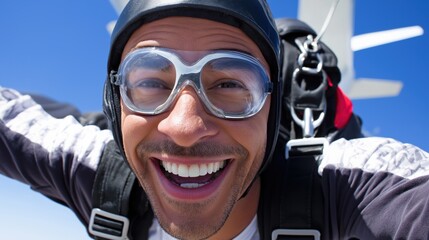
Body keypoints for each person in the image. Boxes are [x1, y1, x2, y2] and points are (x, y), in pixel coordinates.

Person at [1, 0, 429, 239]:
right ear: (115, 106)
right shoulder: (99, 172)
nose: (185, 129)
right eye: (150, 82)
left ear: (271, 108)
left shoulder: (342, 189)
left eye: (229, 84)